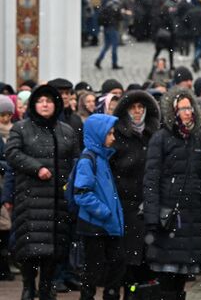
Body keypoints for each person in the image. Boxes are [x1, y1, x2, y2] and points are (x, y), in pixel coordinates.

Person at [5, 85, 79, 300]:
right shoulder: (21, 128)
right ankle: (28, 288)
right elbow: (13, 153)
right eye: (41, 101)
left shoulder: (66, 131)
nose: (45, 104)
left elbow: (75, 160)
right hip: (31, 200)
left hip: (57, 202)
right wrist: (36, 168)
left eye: (49, 101)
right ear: (34, 105)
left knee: (54, 252)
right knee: (28, 250)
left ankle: (47, 288)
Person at [143, 87, 201, 300]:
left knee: (182, 278)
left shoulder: (196, 138)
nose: (187, 112)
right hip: (168, 218)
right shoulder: (160, 138)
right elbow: (151, 179)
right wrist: (153, 217)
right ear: (173, 111)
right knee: (166, 277)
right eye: (182, 109)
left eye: (190, 108)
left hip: (190, 218)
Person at [110, 90, 161, 293]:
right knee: (125, 258)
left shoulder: (154, 133)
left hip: (147, 202)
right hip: (125, 203)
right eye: (133, 108)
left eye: (141, 107)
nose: (138, 112)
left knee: (145, 258)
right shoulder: (118, 135)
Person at [74, 114, 125, 300]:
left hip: (104, 223)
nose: (113, 137)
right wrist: (104, 212)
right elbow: (81, 193)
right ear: (98, 135)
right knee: (94, 270)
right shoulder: (89, 159)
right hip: (95, 224)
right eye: (109, 133)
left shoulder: (101, 158)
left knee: (114, 265)